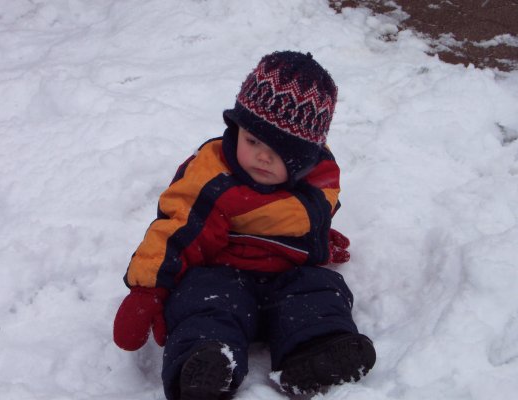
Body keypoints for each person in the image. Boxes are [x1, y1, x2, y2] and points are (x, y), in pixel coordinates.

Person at [113, 51, 376, 400]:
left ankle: (315, 351)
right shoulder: (214, 176)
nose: (261, 156)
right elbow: (176, 230)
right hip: (223, 272)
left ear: (307, 157)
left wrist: (318, 239)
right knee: (203, 302)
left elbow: (311, 213)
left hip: (285, 275)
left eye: (280, 151)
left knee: (321, 289)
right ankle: (205, 362)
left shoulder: (318, 177)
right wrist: (148, 290)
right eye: (252, 141)